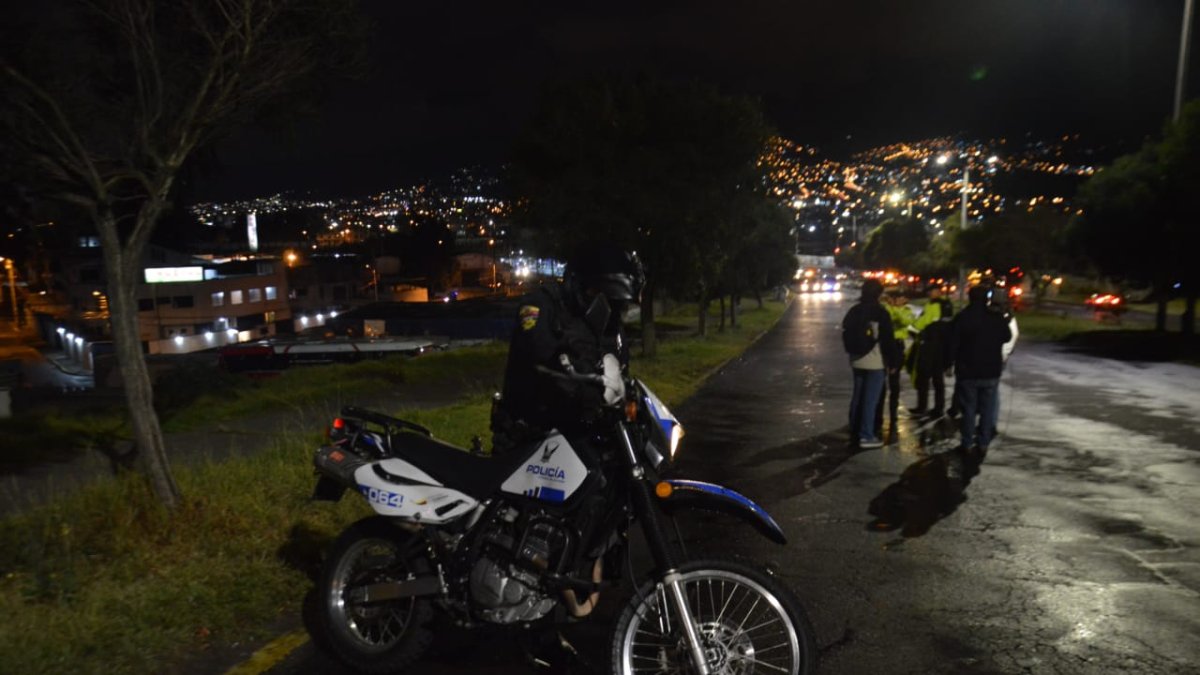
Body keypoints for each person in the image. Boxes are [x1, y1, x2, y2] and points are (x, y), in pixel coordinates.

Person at [491, 244, 643, 454]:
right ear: (578, 285)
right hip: (531, 436)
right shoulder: (540, 306)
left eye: (614, 302)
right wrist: (585, 389)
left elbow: (618, 364)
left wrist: (628, 393)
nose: (607, 307)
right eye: (598, 294)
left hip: (581, 431)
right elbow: (542, 354)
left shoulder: (608, 323)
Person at [947, 285, 1012, 454]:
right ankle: (983, 442)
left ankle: (967, 442)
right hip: (991, 369)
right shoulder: (995, 317)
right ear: (987, 299)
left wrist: (949, 364)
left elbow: (953, 343)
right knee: (987, 408)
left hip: (967, 370)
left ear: (969, 297)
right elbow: (1007, 336)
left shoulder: (963, 317)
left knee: (968, 408)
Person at [842, 278, 900, 449]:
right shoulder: (880, 312)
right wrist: (893, 362)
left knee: (857, 396)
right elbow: (888, 339)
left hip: (856, 358)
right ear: (879, 293)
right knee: (870, 400)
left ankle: (854, 429)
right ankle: (866, 435)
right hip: (875, 360)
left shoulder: (855, 310)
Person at [908, 285, 954, 420]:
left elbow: (924, 321)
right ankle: (937, 408)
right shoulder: (944, 305)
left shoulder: (936, 305)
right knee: (937, 379)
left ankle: (924, 407)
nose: (929, 293)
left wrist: (913, 328)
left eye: (932, 291)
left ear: (938, 292)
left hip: (930, 345)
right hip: (939, 346)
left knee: (924, 378)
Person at [875, 291, 915, 440]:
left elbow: (905, 321)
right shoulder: (885, 309)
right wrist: (890, 308)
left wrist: (894, 308)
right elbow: (885, 320)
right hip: (885, 346)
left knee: (894, 383)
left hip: (897, 348)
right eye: (895, 298)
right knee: (880, 382)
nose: (898, 300)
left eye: (900, 298)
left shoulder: (906, 311)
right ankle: (878, 416)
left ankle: (893, 416)